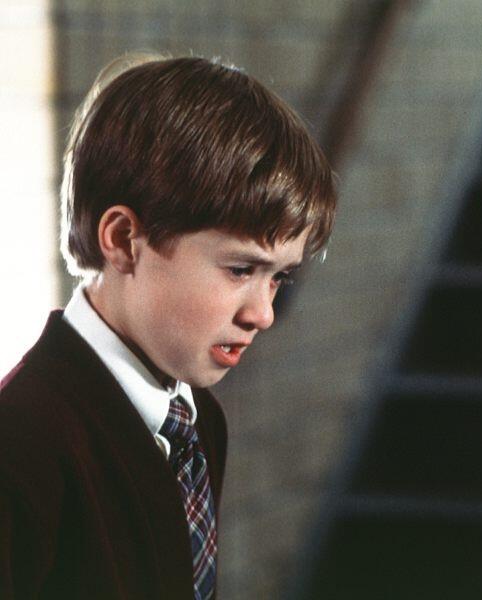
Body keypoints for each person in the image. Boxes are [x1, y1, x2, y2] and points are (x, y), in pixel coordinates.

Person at [0, 54, 336, 599]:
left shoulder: (200, 421)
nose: (263, 314)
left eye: (278, 277)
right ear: (122, 240)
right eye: (240, 270)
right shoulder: (21, 447)